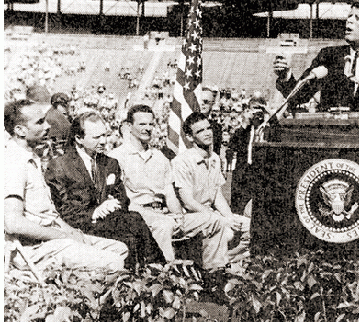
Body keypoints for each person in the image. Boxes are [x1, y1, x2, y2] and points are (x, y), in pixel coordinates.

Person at [4, 99, 128, 274]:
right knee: (114, 262)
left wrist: (71, 232)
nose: (48, 126)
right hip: (34, 249)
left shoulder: (30, 158)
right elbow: (12, 223)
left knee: (119, 249)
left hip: (53, 239)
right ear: (20, 130)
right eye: (40, 122)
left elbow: (48, 214)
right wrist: (62, 235)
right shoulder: (13, 162)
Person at [110, 105, 233, 272]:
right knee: (164, 225)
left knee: (214, 220)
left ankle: (213, 273)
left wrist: (178, 215)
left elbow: (170, 194)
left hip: (165, 213)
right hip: (137, 215)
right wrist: (160, 216)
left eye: (151, 124)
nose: (147, 129)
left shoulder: (159, 157)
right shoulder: (116, 157)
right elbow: (122, 200)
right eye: (142, 124)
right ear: (129, 126)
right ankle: (165, 277)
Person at [44, 111, 165, 270]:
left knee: (132, 225)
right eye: (96, 137)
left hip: (110, 223)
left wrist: (112, 204)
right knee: (132, 227)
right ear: (79, 139)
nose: (103, 142)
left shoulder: (109, 163)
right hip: (81, 227)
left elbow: (123, 199)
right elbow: (63, 210)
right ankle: (158, 269)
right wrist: (95, 213)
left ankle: (152, 271)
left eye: (105, 135)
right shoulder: (60, 166)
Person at [273, 0, 359, 119]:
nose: (349, 20)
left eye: (357, 18)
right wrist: (285, 76)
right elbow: (299, 96)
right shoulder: (328, 56)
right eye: (349, 16)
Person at [172, 112, 250, 270]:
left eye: (208, 128)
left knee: (247, 225)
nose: (207, 133)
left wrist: (229, 216)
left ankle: (227, 262)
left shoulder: (214, 158)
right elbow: (188, 201)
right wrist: (217, 217)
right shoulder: (182, 161)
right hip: (191, 217)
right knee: (222, 226)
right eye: (200, 131)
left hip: (210, 213)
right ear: (190, 137)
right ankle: (212, 272)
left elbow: (217, 195)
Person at [199, 87, 223, 156]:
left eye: (206, 102)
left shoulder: (217, 128)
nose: (202, 104)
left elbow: (216, 153)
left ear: (212, 104)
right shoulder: (187, 125)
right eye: (200, 101)